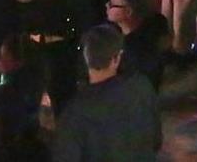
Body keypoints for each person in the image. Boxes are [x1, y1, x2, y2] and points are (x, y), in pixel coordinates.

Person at [51, 24, 161, 162]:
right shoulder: (142, 87)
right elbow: (156, 140)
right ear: (117, 58)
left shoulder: (73, 114)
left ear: (86, 58)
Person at [105, 0, 169, 87]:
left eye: (112, 4)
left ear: (129, 11)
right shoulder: (152, 29)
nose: (107, 6)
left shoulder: (135, 54)